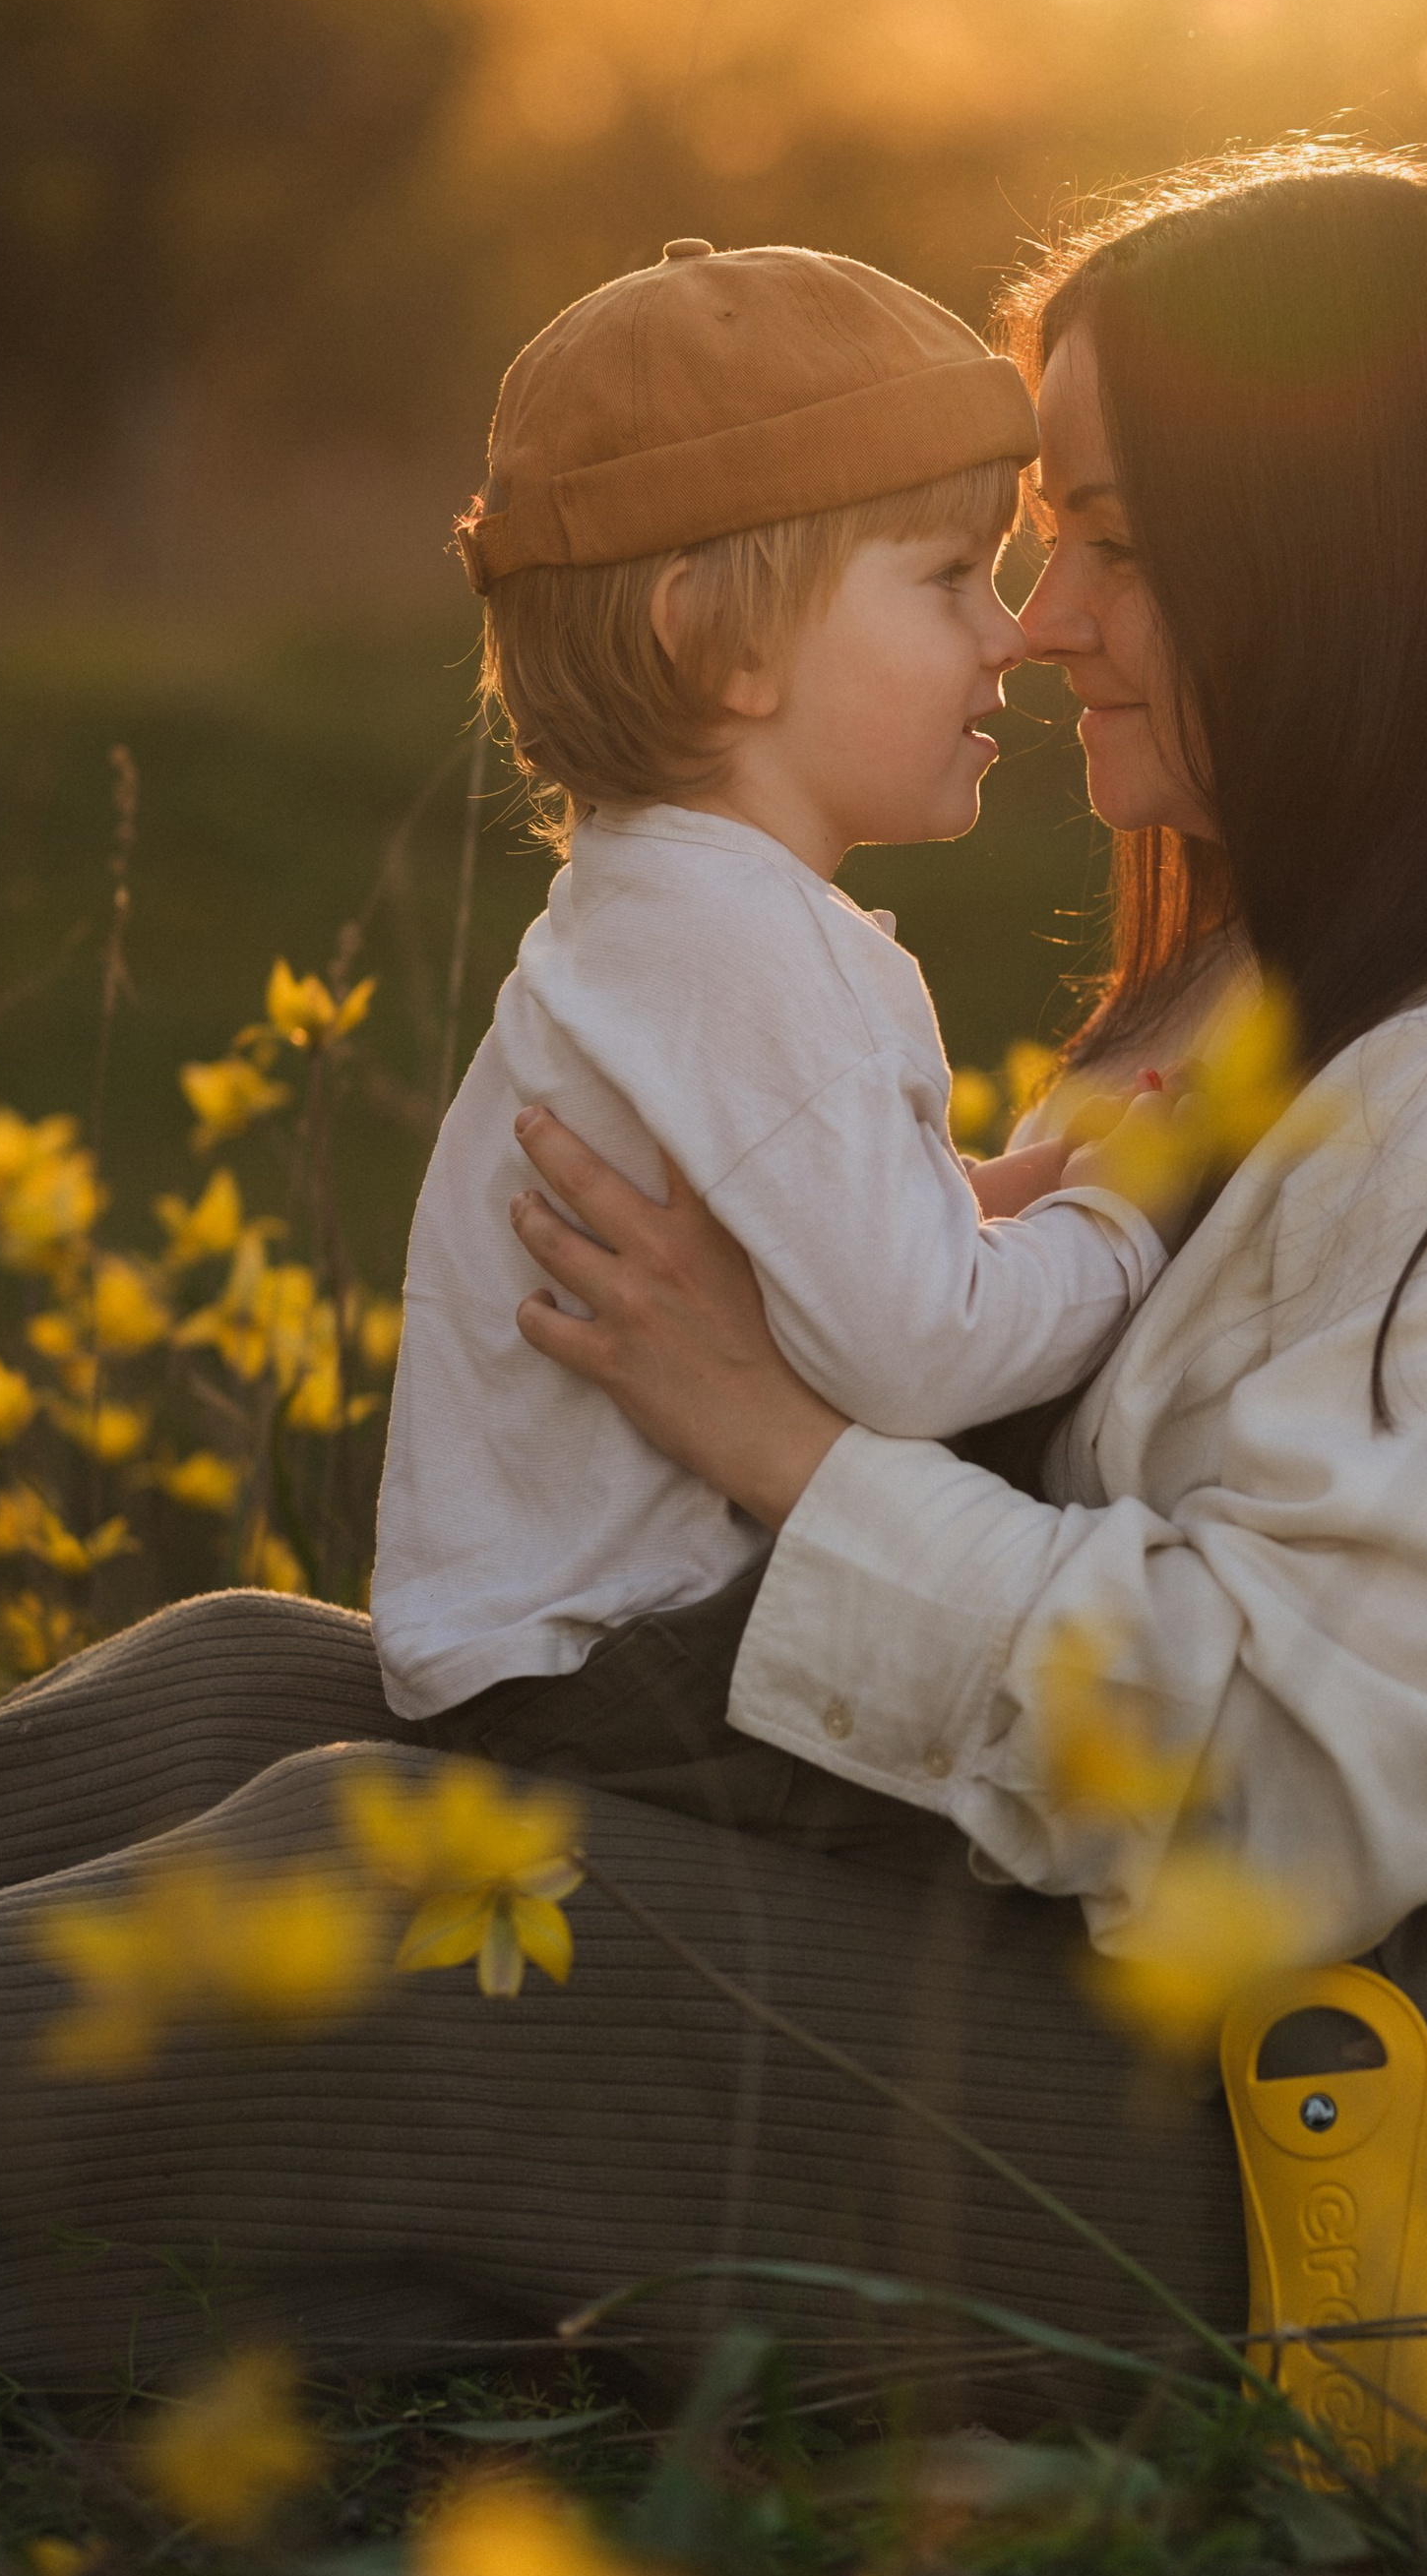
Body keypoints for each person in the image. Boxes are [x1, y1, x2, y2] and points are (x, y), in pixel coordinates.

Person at [0, 150, 1427, 2472]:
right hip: (1115, 1970)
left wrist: (776, 1441)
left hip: (1362, 2170)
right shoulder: (1304, 979)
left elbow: (1293, 1796)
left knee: (417, 1911)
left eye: (1111, 543)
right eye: (1014, 552)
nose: (1035, 625)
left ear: (1350, 558)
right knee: (244, 1680)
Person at [372, 234, 1169, 1749]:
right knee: (1034, 1782)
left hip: (529, 1666)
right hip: (629, 1674)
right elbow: (917, 1355)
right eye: (949, 579)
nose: (1012, 634)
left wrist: (1001, 1195)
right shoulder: (760, 950)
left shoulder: (651, 915)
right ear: (721, 641)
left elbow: (801, 1245)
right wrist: (1123, 1229)